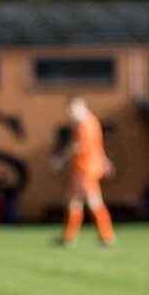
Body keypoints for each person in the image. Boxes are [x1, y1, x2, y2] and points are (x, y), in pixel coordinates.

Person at [53, 97, 116, 246]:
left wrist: (61, 160)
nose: (70, 114)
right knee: (77, 201)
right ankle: (70, 237)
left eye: (72, 110)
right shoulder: (92, 122)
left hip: (85, 169)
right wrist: (104, 160)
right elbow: (97, 146)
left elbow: (78, 147)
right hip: (88, 167)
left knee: (89, 201)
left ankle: (106, 236)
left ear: (81, 107)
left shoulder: (85, 124)